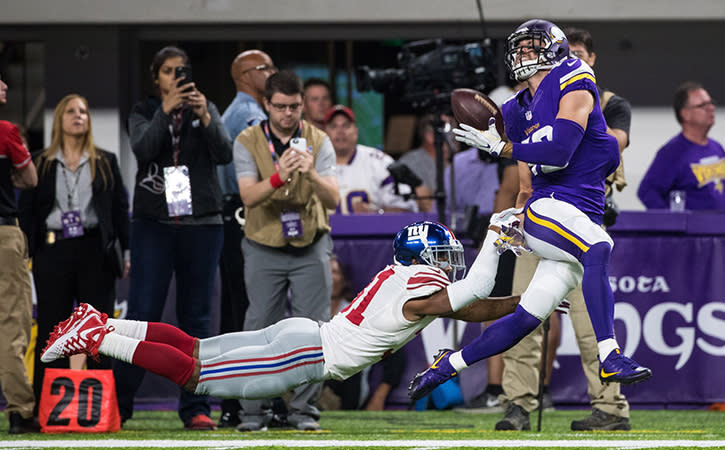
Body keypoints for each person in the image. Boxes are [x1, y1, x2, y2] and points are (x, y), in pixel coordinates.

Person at [40, 219, 530, 426]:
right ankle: (99, 335)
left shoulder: (409, 280)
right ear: (425, 257)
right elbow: (469, 293)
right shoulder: (421, 288)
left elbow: (470, 306)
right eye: (442, 254)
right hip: (305, 354)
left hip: (302, 336)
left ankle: (101, 321)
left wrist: (525, 302)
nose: (448, 263)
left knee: (194, 348)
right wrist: (494, 238)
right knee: (196, 374)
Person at [409, 18, 652, 409]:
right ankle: (609, 356)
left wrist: (504, 148)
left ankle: (446, 364)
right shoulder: (515, 109)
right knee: (599, 247)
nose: (523, 53)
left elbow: (559, 152)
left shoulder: (575, 78)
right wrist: (481, 130)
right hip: (546, 210)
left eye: (531, 46)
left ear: (555, 49)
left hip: (578, 214)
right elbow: (504, 140)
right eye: (519, 48)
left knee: (525, 319)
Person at [491, 26, 636, 432]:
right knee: (523, 316)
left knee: (590, 321)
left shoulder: (605, 102)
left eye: (577, 53)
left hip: (581, 219)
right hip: (533, 216)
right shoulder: (529, 101)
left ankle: (610, 405)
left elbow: (606, 147)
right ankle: (517, 403)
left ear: (589, 59)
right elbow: (522, 160)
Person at [115, 46, 232, 431]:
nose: (175, 77)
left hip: (203, 223)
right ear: (156, 76)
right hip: (154, 223)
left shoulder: (206, 107)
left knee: (197, 317)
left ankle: (196, 407)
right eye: (167, 71)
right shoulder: (143, 111)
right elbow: (143, 148)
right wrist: (165, 109)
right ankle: (121, 404)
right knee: (142, 315)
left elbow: (224, 153)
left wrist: (204, 115)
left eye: (180, 70)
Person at [233, 70, 339, 431]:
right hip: (264, 245)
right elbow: (248, 197)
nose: (288, 114)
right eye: (280, 107)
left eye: (295, 106)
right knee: (258, 331)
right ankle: (253, 414)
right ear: (266, 105)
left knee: (314, 333)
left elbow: (334, 199)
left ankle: (304, 414)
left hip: (311, 243)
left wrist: (309, 174)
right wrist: (279, 175)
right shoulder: (247, 140)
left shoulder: (319, 140)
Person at [19, 93, 130, 413]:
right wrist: (27, 251)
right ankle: (46, 408)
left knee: (99, 332)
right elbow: (27, 212)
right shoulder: (40, 161)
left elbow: (120, 211)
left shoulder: (105, 160)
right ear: (59, 120)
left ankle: (101, 408)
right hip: (52, 252)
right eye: (71, 111)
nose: (78, 116)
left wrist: (126, 252)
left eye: (83, 111)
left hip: (96, 250)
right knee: (51, 331)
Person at [215, 49, 276, 428]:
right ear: (243, 75)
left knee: (238, 312)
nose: (271, 73)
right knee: (251, 313)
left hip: (233, 215)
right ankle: (244, 400)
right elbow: (265, 168)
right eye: (263, 68)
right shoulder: (248, 114)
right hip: (245, 216)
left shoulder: (236, 111)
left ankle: (233, 400)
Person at [0, 72, 39, 434]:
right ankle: (20, 412)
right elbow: (30, 180)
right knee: (11, 325)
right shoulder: (6, 131)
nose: (6, 87)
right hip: (2, 234)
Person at [638, 81, 725, 210]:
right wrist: (672, 222)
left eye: (711, 103)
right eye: (703, 105)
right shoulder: (672, 153)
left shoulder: (716, 148)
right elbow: (647, 191)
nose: (711, 108)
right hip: (695, 229)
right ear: (685, 114)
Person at [325, 104, 418, 214]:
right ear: (325, 132)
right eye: (334, 126)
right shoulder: (311, 164)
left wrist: (376, 213)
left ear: (356, 130)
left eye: (346, 125)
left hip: (370, 231)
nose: (340, 131)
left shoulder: (379, 162)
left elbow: (407, 209)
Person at [397, 115, 450, 213]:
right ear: (430, 137)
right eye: (449, 129)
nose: (456, 135)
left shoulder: (458, 163)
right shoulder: (410, 162)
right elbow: (427, 205)